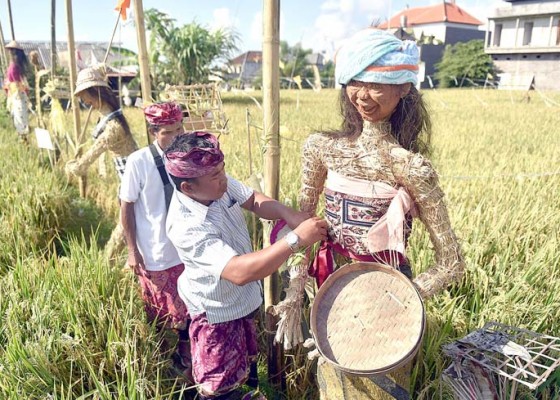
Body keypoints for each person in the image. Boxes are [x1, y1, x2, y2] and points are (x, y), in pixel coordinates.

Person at [273, 28, 465, 399]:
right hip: (330, 293)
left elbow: (452, 262)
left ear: (403, 89)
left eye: (376, 84)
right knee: (333, 387)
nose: (363, 95)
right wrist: (297, 290)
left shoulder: (412, 168)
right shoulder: (321, 149)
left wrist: (398, 300)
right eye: (355, 82)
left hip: (389, 307)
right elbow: (302, 225)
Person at [164, 132, 327, 399]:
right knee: (216, 387)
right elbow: (240, 271)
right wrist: (296, 239)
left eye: (222, 170)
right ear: (188, 188)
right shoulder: (187, 226)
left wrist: (289, 214)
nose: (224, 179)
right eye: (215, 176)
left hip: (239, 303)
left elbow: (253, 200)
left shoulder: (214, 184)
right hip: (215, 314)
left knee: (243, 370)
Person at [119, 102, 191, 376]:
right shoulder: (139, 161)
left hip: (184, 249)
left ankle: (185, 364)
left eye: (179, 129)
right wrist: (132, 251)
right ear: (153, 132)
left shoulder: (186, 155)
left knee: (188, 310)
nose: (176, 137)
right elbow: (126, 207)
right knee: (161, 313)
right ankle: (162, 365)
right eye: (168, 133)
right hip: (156, 252)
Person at [65, 65, 138, 259]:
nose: (84, 101)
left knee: (125, 225)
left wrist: (78, 166)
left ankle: (107, 262)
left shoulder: (114, 126)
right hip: (127, 178)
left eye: (85, 95)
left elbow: (95, 150)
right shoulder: (107, 117)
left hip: (135, 180)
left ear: (95, 91)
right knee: (132, 224)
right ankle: (120, 261)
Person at [3, 41, 30, 142]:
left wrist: (22, 90)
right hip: (16, 94)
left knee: (20, 118)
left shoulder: (14, 66)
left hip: (17, 94)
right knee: (19, 118)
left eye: (11, 50)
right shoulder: (14, 65)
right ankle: (23, 139)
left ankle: (24, 140)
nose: (9, 52)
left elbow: (18, 83)